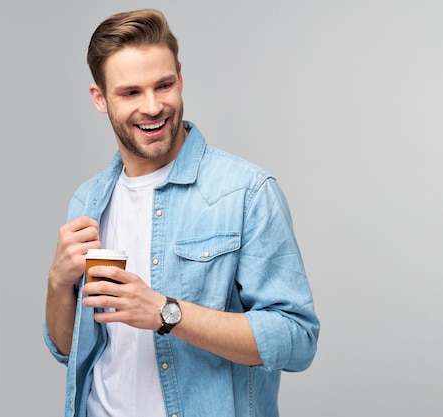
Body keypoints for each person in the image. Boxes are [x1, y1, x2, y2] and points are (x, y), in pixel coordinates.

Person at [43, 8, 320, 417]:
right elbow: (68, 350)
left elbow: (296, 339)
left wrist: (165, 313)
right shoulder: (88, 202)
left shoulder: (245, 192)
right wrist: (57, 282)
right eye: (130, 92)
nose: (153, 107)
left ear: (180, 77)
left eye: (164, 85)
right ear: (99, 98)